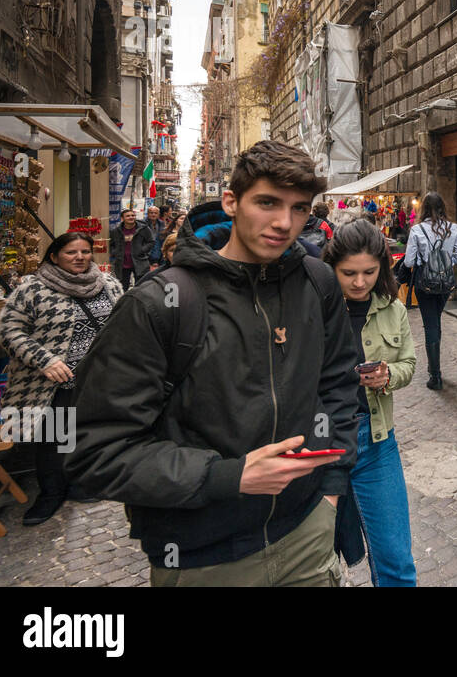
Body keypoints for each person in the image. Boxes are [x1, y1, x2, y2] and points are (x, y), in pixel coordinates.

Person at [66, 140, 361, 587]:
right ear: (231, 202)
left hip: (306, 533)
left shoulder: (316, 281)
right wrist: (229, 477)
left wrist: (332, 490)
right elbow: (93, 451)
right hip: (202, 558)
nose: (284, 223)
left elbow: (339, 384)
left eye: (300, 209)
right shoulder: (160, 303)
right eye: (267, 202)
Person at [0, 233, 124, 525]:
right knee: (53, 439)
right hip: (51, 382)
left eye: (85, 251)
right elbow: (9, 331)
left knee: (84, 434)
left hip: (96, 381)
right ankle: (51, 493)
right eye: (70, 252)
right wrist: (45, 360)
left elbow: (126, 323)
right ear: (54, 256)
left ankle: (79, 483)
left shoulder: (110, 285)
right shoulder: (32, 289)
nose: (79, 257)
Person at [325, 220, 418, 586]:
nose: (359, 282)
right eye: (348, 273)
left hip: (376, 442)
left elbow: (408, 364)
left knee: (396, 560)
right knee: (317, 558)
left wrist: (388, 375)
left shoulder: (392, 309)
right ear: (332, 267)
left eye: (369, 272)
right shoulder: (315, 307)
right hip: (321, 443)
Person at [404, 191, 457, 390]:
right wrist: (445, 262)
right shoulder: (454, 228)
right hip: (445, 283)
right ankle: (434, 368)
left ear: (423, 209)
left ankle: (435, 375)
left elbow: (409, 261)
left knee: (431, 324)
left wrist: (427, 261)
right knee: (435, 321)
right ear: (442, 208)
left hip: (425, 283)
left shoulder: (417, 230)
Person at [111, 208, 154, 289]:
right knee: (122, 287)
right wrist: (115, 253)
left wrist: (142, 250)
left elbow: (151, 241)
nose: (131, 217)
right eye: (128, 216)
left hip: (140, 262)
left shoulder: (143, 229)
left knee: (141, 286)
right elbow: (111, 244)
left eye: (133, 215)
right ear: (122, 218)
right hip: (122, 264)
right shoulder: (116, 231)